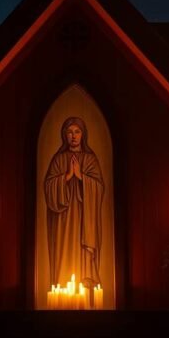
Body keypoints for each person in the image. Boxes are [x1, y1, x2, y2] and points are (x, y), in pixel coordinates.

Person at [44, 116, 104, 289]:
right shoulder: (58, 159)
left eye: (77, 132)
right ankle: (63, 285)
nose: (73, 136)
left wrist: (81, 177)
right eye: (69, 132)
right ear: (64, 135)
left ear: (83, 135)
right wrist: (68, 176)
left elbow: (99, 189)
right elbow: (48, 187)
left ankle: (85, 285)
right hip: (63, 221)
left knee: (82, 251)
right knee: (64, 251)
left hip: (85, 218)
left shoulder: (90, 159)